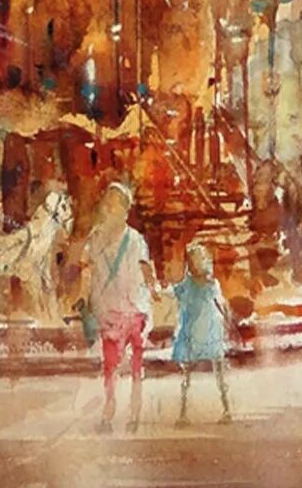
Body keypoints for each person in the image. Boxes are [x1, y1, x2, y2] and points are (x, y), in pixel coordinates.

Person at [79, 182, 157, 433]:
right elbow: (87, 269)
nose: (109, 208)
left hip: (134, 309)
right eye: (107, 203)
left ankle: (135, 409)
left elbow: (146, 268)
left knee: (135, 364)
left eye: (115, 204)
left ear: (125, 210)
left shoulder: (135, 240)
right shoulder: (95, 238)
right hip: (109, 310)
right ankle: (110, 407)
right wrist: (84, 298)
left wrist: (153, 289)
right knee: (110, 364)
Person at [172, 241, 232, 425]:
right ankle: (225, 409)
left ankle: (186, 414)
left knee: (189, 377)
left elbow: (174, 292)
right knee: (212, 374)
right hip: (205, 332)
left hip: (200, 332)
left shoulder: (196, 284)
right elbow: (222, 305)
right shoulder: (207, 284)